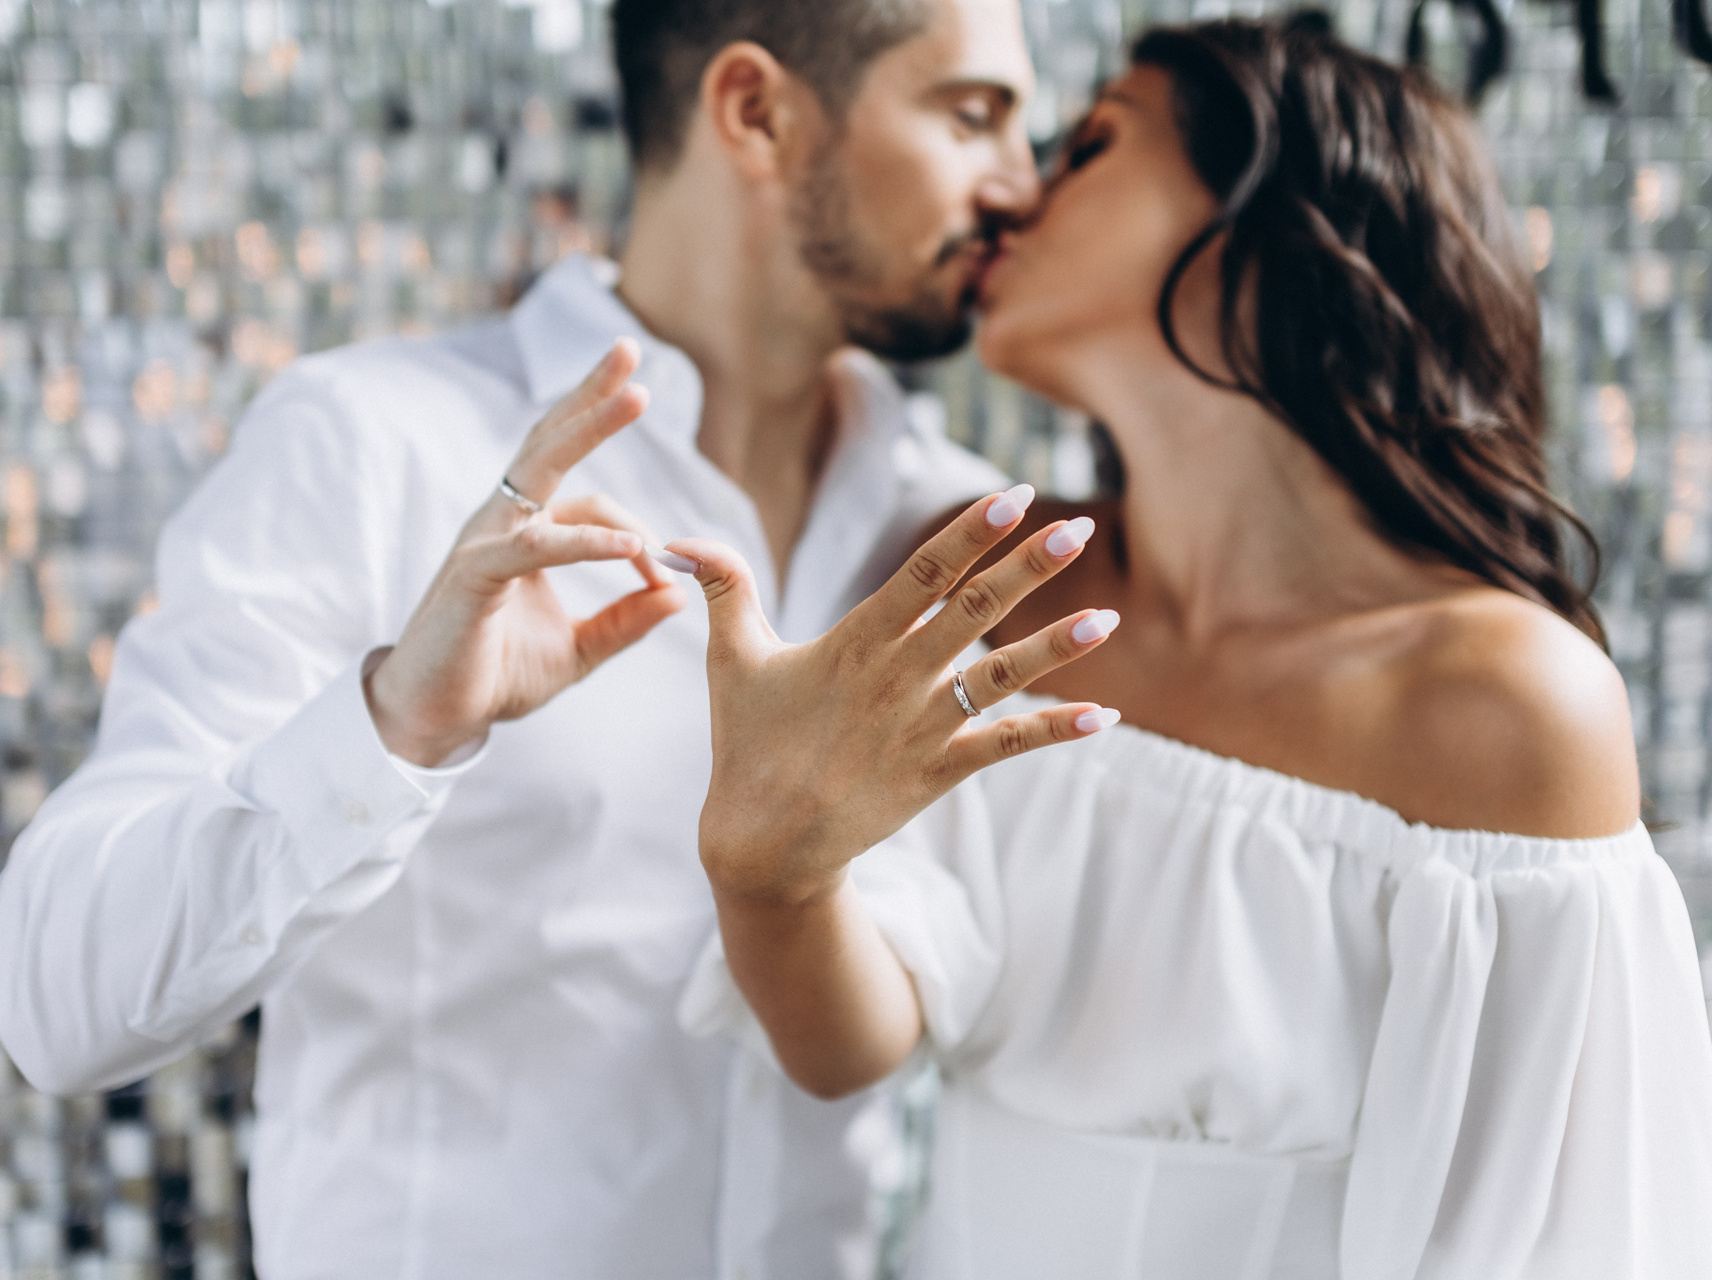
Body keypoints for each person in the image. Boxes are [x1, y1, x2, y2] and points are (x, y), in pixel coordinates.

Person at [0, 0, 1050, 1274]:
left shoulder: (960, 534)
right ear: (755, 111)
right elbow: (57, 1005)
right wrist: (395, 725)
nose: (1023, 184)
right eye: (973, 115)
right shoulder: (370, 444)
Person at [667, 17, 1712, 1279]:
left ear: (1270, 222)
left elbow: (1559, 1244)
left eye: (1089, 146)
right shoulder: (995, 583)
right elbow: (847, 1042)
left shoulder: (1510, 707)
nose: (1013, 194)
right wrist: (766, 878)